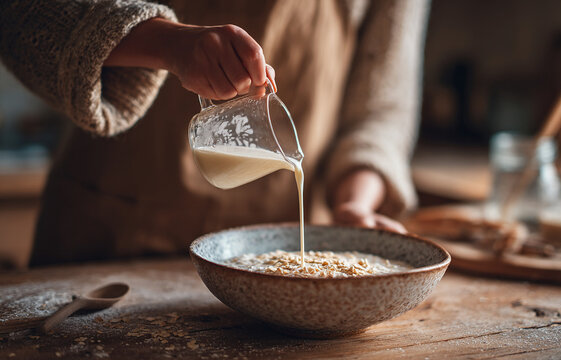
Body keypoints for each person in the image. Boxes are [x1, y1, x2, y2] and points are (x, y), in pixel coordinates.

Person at [0, 0, 430, 265]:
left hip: (284, 238)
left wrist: (354, 204)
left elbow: (381, 107)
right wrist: (166, 43)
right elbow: (24, 17)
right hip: (115, 227)